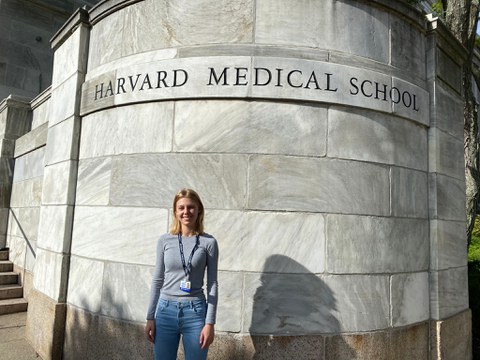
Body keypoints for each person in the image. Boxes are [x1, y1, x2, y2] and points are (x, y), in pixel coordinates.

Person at [145, 188, 219, 360]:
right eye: (181, 208)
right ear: (176, 212)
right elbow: (157, 279)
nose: (186, 212)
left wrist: (210, 323)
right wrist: (150, 317)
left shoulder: (209, 243)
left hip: (196, 312)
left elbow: (213, 284)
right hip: (165, 311)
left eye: (191, 207)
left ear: (199, 209)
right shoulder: (165, 240)